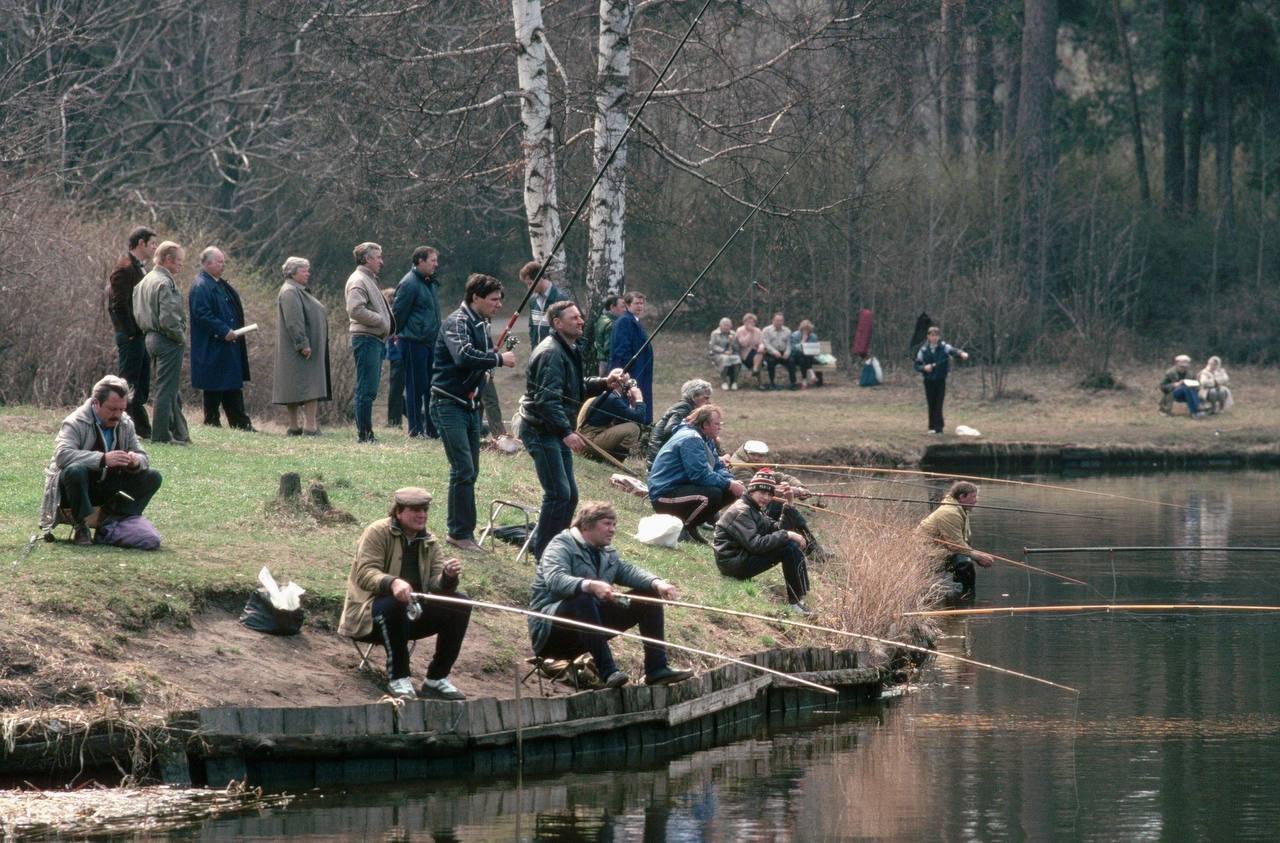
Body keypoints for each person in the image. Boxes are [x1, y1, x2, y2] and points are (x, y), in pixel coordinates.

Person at [528, 502, 694, 688]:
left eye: (614, 525)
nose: (612, 530)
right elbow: (555, 579)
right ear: (586, 525)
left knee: (649, 595)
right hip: (551, 632)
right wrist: (589, 585)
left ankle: (656, 669)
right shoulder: (561, 544)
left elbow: (626, 571)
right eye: (607, 524)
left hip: (589, 628)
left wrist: (656, 582)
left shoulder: (607, 552)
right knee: (583, 598)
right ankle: (608, 672)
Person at [338, 487, 473, 701]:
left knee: (460, 602)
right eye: (415, 510)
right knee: (395, 603)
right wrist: (393, 583)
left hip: (412, 616)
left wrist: (447, 576)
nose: (422, 515)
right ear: (398, 511)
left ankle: (437, 679)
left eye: (425, 509)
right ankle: (398, 678)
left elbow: (436, 586)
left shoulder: (429, 540)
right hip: (371, 615)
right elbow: (364, 573)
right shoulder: (377, 532)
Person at [518, 301, 625, 559]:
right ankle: (545, 555)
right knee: (558, 494)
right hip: (540, 430)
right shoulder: (551, 353)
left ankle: (557, 549)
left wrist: (604, 383)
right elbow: (547, 401)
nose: (581, 321)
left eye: (581, 317)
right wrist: (567, 432)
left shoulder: (567, 348)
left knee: (570, 496)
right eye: (574, 318)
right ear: (557, 323)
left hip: (554, 430)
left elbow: (573, 388)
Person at [430, 273, 517, 552]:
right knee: (463, 468)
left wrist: (487, 367)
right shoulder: (457, 321)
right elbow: (463, 355)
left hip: (469, 406)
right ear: (475, 297)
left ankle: (463, 529)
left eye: (500, 300)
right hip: (448, 404)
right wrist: (498, 359)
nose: (498, 305)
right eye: (493, 300)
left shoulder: (481, 322)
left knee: (472, 470)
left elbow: (475, 359)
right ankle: (458, 533)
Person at [38, 376, 162, 546]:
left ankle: (114, 521)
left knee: (153, 476)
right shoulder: (75, 422)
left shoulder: (125, 423)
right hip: (76, 488)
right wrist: (102, 459)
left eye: (121, 409)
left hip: (106, 485)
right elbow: (62, 455)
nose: (117, 415)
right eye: (112, 409)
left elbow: (143, 456)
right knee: (75, 470)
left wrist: (135, 461)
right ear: (96, 403)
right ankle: (81, 526)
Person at [713, 469, 811, 612]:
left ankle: (798, 598)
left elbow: (776, 529)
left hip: (740, 558)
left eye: (769, 494)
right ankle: (795, 602)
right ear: (752, 491)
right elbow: (756, 544)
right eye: (762, 493)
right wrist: (787, 534)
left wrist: (789, 504)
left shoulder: (754, 508)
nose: (765, 498)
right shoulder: (742, 510)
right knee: (788, 547)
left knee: (789, 543)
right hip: (732, 565)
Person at [647, 404, 745, 543]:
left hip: (681, 488)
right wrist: (729, 484)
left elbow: (716, 465)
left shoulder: (706, 438)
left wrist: (732, 481)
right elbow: (700, 475)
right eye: (716, 424)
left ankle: (691, 526)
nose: (720, 427)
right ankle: (685, 528)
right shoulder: (691, 439)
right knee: (713, 494)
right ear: (705, 424)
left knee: (729, 491)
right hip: (664, 494)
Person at [727, 440, 827, 560]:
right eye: (754, 455)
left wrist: (800, 487)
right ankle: (810, 548)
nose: (758, 458)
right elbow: (756, 491)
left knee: (787, 510)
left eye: (761, 456)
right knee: (780, 505)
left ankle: (811, 548)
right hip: (743, 511)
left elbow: (781, 477)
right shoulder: (740, 467)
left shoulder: (752, 464)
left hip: (753, 508)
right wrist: (791, 491)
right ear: (746, 453)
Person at [188, 247, 253, 431]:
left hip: (228, 346)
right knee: (214, 385)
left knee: (232, 384)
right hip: (213, 345)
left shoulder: (220, 284)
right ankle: (212, 422)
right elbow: (203, 315)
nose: (223, 265)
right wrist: (224, 330)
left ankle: (240, 422)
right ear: (207, 263)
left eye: (223, 261)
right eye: (219, 261)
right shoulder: (201, 286)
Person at [132, 240, 190, 445]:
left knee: (169, 386)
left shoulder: (144, 281)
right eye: (180, 261)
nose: (182, 265)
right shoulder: (165, 283)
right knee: (166, 388)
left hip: (149, 337)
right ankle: (161, 434)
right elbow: (169, 319)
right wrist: (180, 338)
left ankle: (179, 432)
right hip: (166, 339)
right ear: (167, 259)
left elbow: (137, 312)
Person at [107, 226, 156, 439]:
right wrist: (131, 332)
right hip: (132, 336)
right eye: (152, 243)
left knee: (141, 383)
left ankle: (141, 429)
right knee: (128, 383)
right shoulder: (125, 267)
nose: (155, 247)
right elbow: (118, 304)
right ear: (141, 243)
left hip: (140, 335)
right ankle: (123, 428)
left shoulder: (139, 267)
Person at [272, 257, 330, 436]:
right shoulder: (290, 291)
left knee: (300, 386)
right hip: (301, 349)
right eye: (304, 270)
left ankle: (297, 427)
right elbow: (294, 321)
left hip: (303, 348)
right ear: (292, 272)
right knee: (307, 386)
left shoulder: (297, 290)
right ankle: (308, 427)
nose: (308, 273)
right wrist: (302, 343)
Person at [346, 242, 395, 443]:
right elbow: (355, 310)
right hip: (366, 339)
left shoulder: (367, 279)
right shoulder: (359, 280)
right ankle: (365, 435)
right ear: (367, 259)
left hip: (373, 340)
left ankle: (366, 433)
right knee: (366, 389)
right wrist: (381, 320)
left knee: (369, 388)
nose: (381, 262)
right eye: (378, 257)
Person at [394, 246, 442, 439]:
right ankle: (415, 429)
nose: (436, 264)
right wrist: (401, 335)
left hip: (430, 342)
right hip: (413, 342)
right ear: (420, 261)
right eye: (432, 260)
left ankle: (432, 428)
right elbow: (398, 314)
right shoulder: (409, 283)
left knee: (432, 386)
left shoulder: (429, 282)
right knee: (415, 386)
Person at [916, 480, 994, 599]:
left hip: (939, 550)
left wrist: (977, 554)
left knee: (965, 559)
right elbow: (955, 546)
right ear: (962, 497)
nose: (976, 500)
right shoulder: (950, 512)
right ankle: (966, 598)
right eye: (973, 496)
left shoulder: (961, 509)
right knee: (964, 563)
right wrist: (978, 556)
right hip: (926, 554)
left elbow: (962, 542)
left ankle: (964, 600)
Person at [645, 379, 713, 469]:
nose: (709, 402)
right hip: (661, 462)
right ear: (694, 396)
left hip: (660, 458)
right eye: (706, 398)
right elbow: (670, 430)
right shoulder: (684, 407)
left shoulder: (687, 407)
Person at [913, 325, 969, 434]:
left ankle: (939, 428)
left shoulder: (944, 347)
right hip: (928, 381)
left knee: (939, 403)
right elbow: (916, 365)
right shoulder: (923, 350)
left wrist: (962, 353)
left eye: (936, 335)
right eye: (932, 335)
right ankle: (932, 427)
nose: (934, 338)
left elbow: (953, 351)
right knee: (931, 403)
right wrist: (924, 368)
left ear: (938, 337)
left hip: (940, 380)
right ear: (928, 336)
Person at [608, 291, 654, 423]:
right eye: (636, 303)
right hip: (631, 373)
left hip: (640, 371)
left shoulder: (634, 320)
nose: (640, 306)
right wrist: (628, 372)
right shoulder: (624, 321)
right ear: (627, 305)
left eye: (642, 303)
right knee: (631, 403)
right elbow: (621, 349)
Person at [579, 379, 646, 463]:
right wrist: (639, 399)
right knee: (633, 429)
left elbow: (623, 422)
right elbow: (640, 419)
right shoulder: (613, 399)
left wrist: (632, 404)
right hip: (588, 442)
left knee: (627, 426)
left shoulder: (605, 394)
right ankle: (614, 462)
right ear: (617, 384)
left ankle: (604, 458)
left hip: (583, 439)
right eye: (627, 384)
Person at [520, 260, 568, 346]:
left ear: (540, 278)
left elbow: (565, 330)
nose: (529, 288)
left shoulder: (560, 298)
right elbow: (532, 328)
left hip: (554, 353)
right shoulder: (533, 300)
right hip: (538, 353)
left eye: (530, 283)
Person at [383, 288, 405, 428]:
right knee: (398, 389)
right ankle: (395, 420)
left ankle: (394, 420)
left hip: (398, 354)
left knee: (396, 389)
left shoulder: (393, 313)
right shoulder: (393, 313)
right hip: (397, 354)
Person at [760, 312, 795, 390]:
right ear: (773, 320)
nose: (779, 322)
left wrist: (787, 353)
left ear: (783, 321)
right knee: (770, 362)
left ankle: (793, 383)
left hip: (783, 353)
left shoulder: (787, 330)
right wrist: (774, 352)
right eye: (777, 320)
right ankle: (772, 383)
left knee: (792, 361)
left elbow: (789, 344)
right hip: (771, 353)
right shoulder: (766, 330)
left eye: (781, 320)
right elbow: (766, 343)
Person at [594, 295, 626, 375]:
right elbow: (609, 348)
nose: (625, 310)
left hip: (602, 362)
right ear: (612, 307)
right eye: (622, 307)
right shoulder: (612, 324)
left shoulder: (602, 318)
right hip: (610, 364)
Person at [708, 317, 741, 390]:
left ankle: (734, 382)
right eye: (725, 325)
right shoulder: (715, 333)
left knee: (737, 359)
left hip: (731, 353)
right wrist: (723, 351)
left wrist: (733, 343)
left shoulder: (733, 333)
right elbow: (712, 346)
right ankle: (724, 382)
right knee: (725, 359)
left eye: (728, 325)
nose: (726, 327)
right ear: (720, 325)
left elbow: (737, 347)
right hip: (717, 354)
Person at [735, 313, 764, 389]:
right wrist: (750, 333)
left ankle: (755, 370)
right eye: (748, 322)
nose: (751, 324)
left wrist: (761, 347)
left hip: (756, 352)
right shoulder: (740, 330)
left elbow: (761, 342)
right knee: (759, 359)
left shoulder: (758, 330)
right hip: (744, 354)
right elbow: (743, 343)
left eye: (753, 322)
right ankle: (759, 382)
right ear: (744, 322)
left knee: (760, 354)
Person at [790, 319, 821, 388]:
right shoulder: (795, 335)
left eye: (808, 329)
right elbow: (794, 350)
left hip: (808, 358)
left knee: (803, 358)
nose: (806, 331)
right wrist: (803, 341)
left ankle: (804, 380)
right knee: (802, 355)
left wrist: (813, 351)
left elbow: (815, 349)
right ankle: (811, 373)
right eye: (804, 329)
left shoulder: (813, 336)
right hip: (796, 357)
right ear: (801, 329)